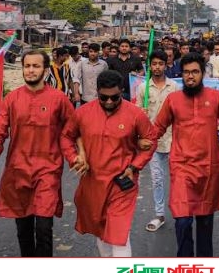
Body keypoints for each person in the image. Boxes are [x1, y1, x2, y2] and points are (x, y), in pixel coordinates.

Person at [0, 50, 75, 257]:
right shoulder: (11, 99)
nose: (31, 70)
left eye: (36, 66)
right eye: (27, 66)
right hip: (18, 172)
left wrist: (78, 157)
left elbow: (72, 131)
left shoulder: (59, 99)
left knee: (44, 228)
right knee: (23, 230)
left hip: (48, 172)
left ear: (45, 69)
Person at [142, 52, 219, 257]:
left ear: (202, 74)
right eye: (186, 72)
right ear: (181, 75)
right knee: (182, 220)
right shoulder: (173, 100)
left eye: (195, 72)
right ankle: (185, 267)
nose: (190, 76)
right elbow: (158, 128)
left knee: (205, 221)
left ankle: (205, 267)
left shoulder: (216, 97)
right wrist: (144, 139)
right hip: (182, 167)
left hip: (209, 168)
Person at [61, 70, 156, 257]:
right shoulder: (83, 113)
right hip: (93, 183)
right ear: (97, 92)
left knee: (119, 235)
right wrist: (74, 158)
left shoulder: (135, 114)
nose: (109, 102)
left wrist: (134, 166)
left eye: (115, 97)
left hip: (122, 184)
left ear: (122, 91)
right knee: (101, 230)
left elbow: (150, 141)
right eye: (104, 98)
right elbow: (66, 136)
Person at [136, 50, 178, 232]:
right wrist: (141, 114)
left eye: (161, 63)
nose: (157, 67)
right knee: (157, 179)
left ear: (166, 64)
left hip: (173, 139)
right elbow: (136, 115)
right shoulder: (142, 88)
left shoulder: (174, 87)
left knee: (178, 179)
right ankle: (159, 214)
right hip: (153, 141)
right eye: (154, 64)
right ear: (150, 65)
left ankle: (181, 211)